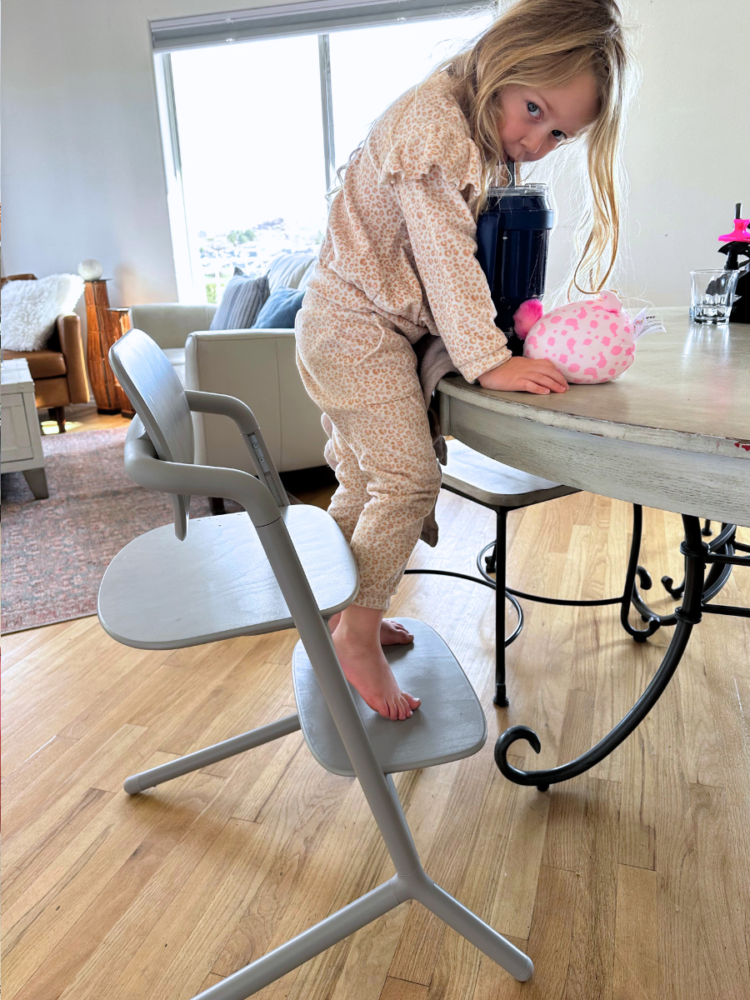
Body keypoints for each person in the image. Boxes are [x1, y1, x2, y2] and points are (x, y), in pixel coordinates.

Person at [296, 0, 634, 720]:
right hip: (351, 328)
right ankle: (355, 632)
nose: (536, 138)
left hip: (358, 325)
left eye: (559, 133)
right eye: (533, 108)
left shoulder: (465, 124)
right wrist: (486, 359)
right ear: (504, 61)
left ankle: (340, 614)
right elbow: (446, 261)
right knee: (408, 480)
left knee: (361, 481)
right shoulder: (434, 126)